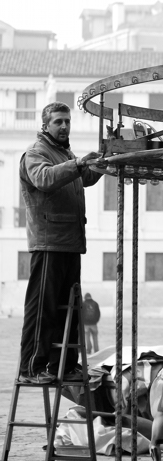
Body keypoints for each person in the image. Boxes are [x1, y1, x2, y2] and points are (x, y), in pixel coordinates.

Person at [18, 102, 103, 384]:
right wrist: (78, 164)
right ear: (45, 125)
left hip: (70, 243)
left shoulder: (64, 153)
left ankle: (63, 366)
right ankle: (31, 368)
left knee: (69, 310)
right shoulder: (36, 153)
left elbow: (85, 177)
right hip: (48, 243)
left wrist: (102, 161)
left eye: (67, 121)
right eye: (58, 122)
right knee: (43, 309)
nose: (65, 126)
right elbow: (44, 178)